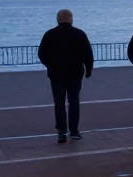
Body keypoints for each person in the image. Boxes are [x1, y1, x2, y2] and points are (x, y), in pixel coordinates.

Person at [38, 9, 94, 143]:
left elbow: (41, 54)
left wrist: (50, 65)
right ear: (71, 19)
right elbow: (88, 54)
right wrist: (89, 69)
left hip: (56, 74)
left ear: (57, 19)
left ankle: (61, 131)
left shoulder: (49, 34)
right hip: (75, 73)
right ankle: (74, 131)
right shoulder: (79, 34)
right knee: (74, 101)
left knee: (59, 102)